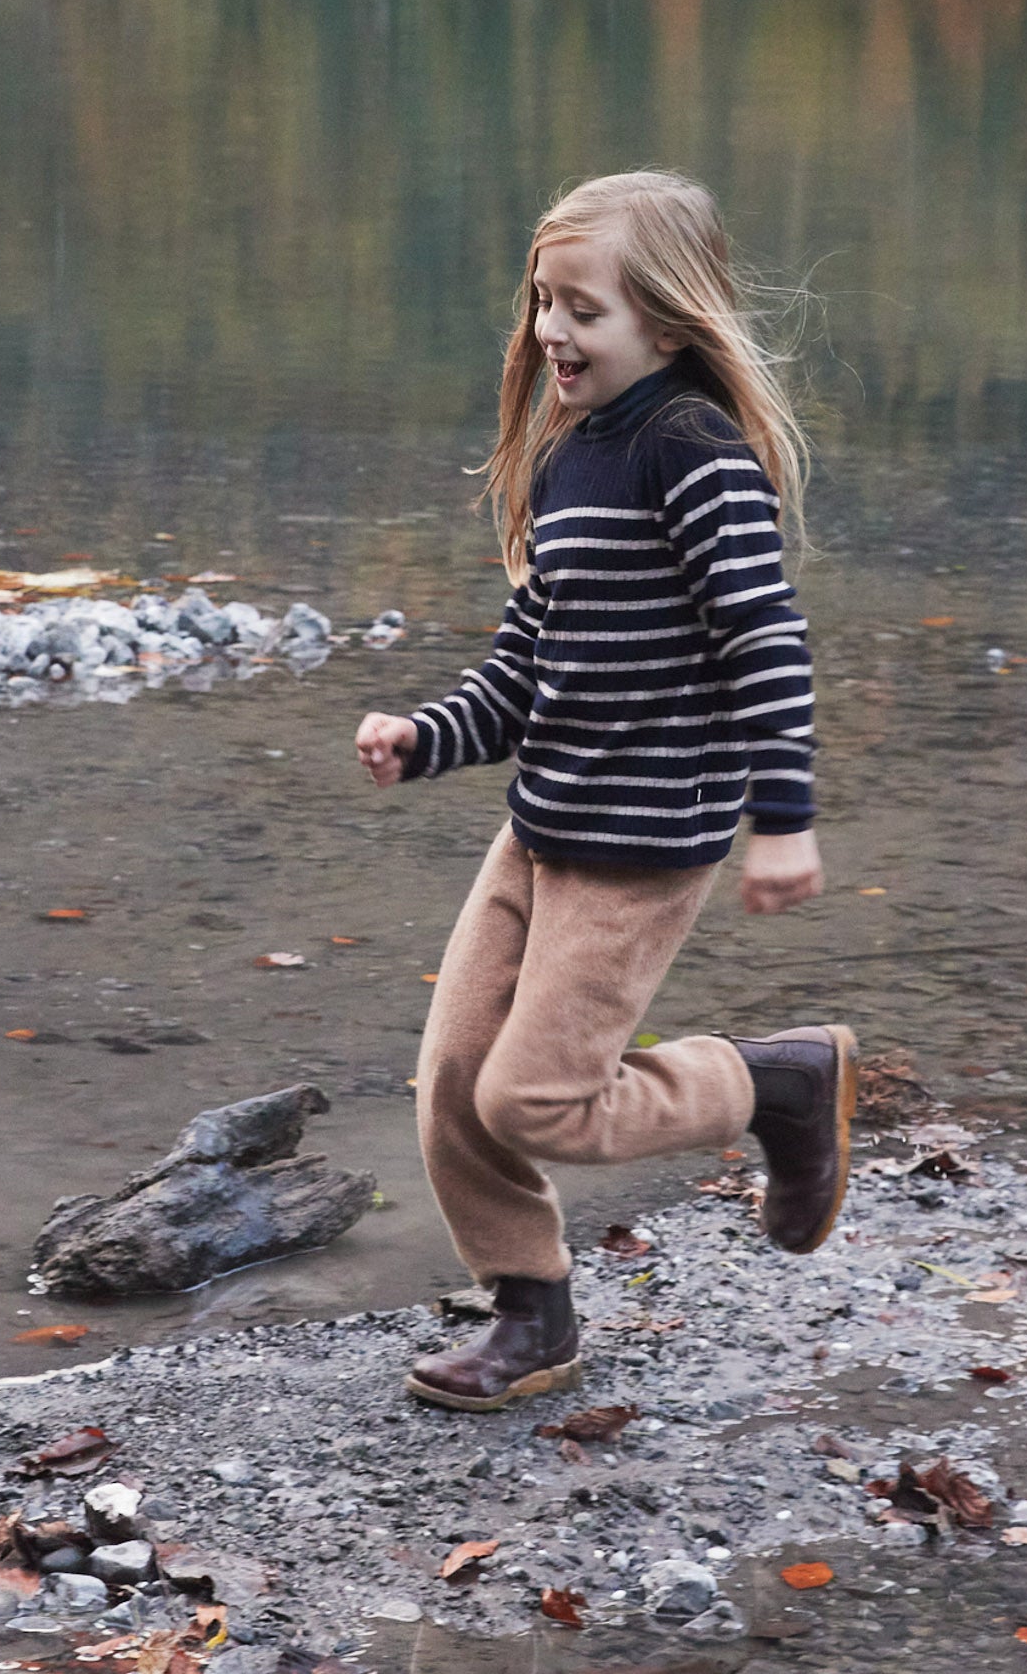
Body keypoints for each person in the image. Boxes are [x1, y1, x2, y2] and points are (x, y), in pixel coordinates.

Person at [355, 170, 855, 1413]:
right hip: (539, 831)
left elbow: (765, 643)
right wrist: (426, 736)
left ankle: (775, 1084)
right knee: (454, 1081)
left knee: (536, 1099)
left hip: (639, 847)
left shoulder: (695, 452)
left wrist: (781, 818)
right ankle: (531, 1315)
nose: (552, 333)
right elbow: (527, 664)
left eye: (584, 309)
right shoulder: (573, 459)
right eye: (542, 302)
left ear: (668, 323)